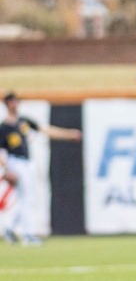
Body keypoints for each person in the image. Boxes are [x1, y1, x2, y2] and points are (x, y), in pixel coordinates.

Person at [1, 90, 80, 245]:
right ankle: (28, 235)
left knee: (26, 198)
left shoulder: (23, 121)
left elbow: (45, 130)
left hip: (26, 162)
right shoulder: (4, 127)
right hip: (14, 162)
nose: (15, 104)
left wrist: (68, 134)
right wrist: (7, 169)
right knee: (28, 199)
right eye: (12, 101)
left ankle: (10, 229)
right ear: (7, 104)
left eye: (16, 101)